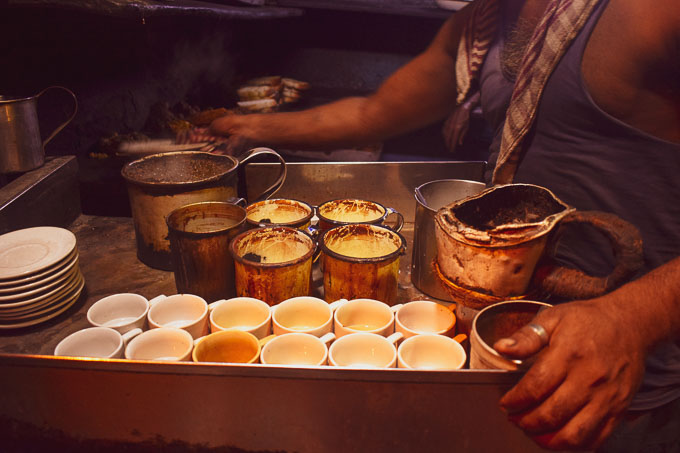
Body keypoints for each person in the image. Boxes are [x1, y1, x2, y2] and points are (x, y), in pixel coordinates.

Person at [184, 0, 680, 450]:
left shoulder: (653, 13)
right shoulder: (485, 24)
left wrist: (631, 320)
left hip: (620, 381)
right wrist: (248, 127)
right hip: (499, 339)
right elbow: (372, 113)